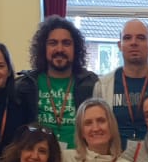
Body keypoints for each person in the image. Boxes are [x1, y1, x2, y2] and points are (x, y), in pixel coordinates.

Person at [15, 16, 99, 148]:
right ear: (43, 48)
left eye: (66, 43)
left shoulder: (91, 83)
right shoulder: (25, 85)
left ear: (75, 48)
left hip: (79, 157)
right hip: (40, 157)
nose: (60, 49)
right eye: (53, 43)